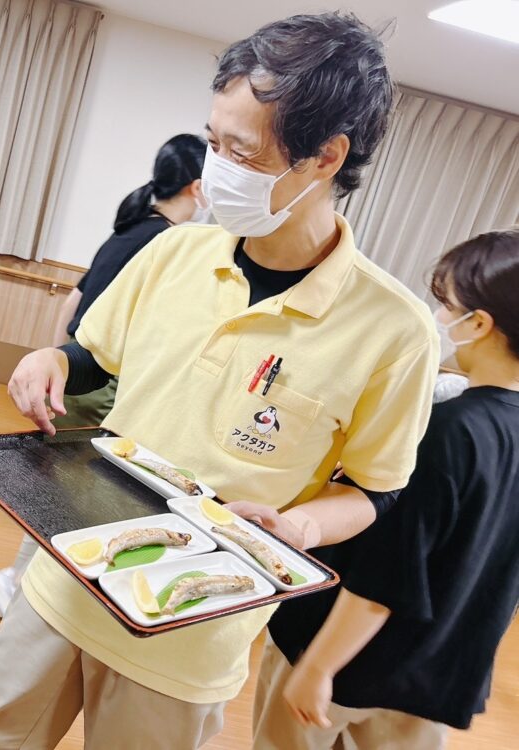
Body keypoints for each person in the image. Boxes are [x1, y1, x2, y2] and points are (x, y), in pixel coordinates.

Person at [0, 13, 439, 750]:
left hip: (190, 630)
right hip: (65, 577)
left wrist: (301, 526)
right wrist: (54, 361)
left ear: (325, 156)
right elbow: (95, 357)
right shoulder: (175, 254)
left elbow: (375, 490)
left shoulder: (394, 331)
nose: (216, 171)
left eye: (240, 150)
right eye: (213, 141)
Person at [257, 230, 519, 749]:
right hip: (438, 673)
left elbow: (386, 573)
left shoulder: (450, 429)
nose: (441, 318)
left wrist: (317, 666)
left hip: (348, 661)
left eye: (447, 305)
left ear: (481, 324)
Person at [0, 133, 208, 618]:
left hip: (77, 375)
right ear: (197, 186)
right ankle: (22, 587)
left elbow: (73, 301)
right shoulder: (169, 243)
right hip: (102, 386)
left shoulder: (130, 228)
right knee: (77, 501)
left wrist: (57, 357)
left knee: (59, 494)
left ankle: (18, 582)